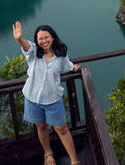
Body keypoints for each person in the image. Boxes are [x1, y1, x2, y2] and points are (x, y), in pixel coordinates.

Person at [13, 21, 81, 165]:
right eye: (40, 39)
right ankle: (48, 153)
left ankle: (74, 160)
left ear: (53, 38)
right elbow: (26, 46)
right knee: (40, 126)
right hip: (32, 98)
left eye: (46, 37)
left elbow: (66, 66)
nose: (44, 41)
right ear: (37, 41)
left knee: (61, 128)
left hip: (53, 100)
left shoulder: (60, 55)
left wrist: (73, 67)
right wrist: (19, 39)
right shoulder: (33, 54)